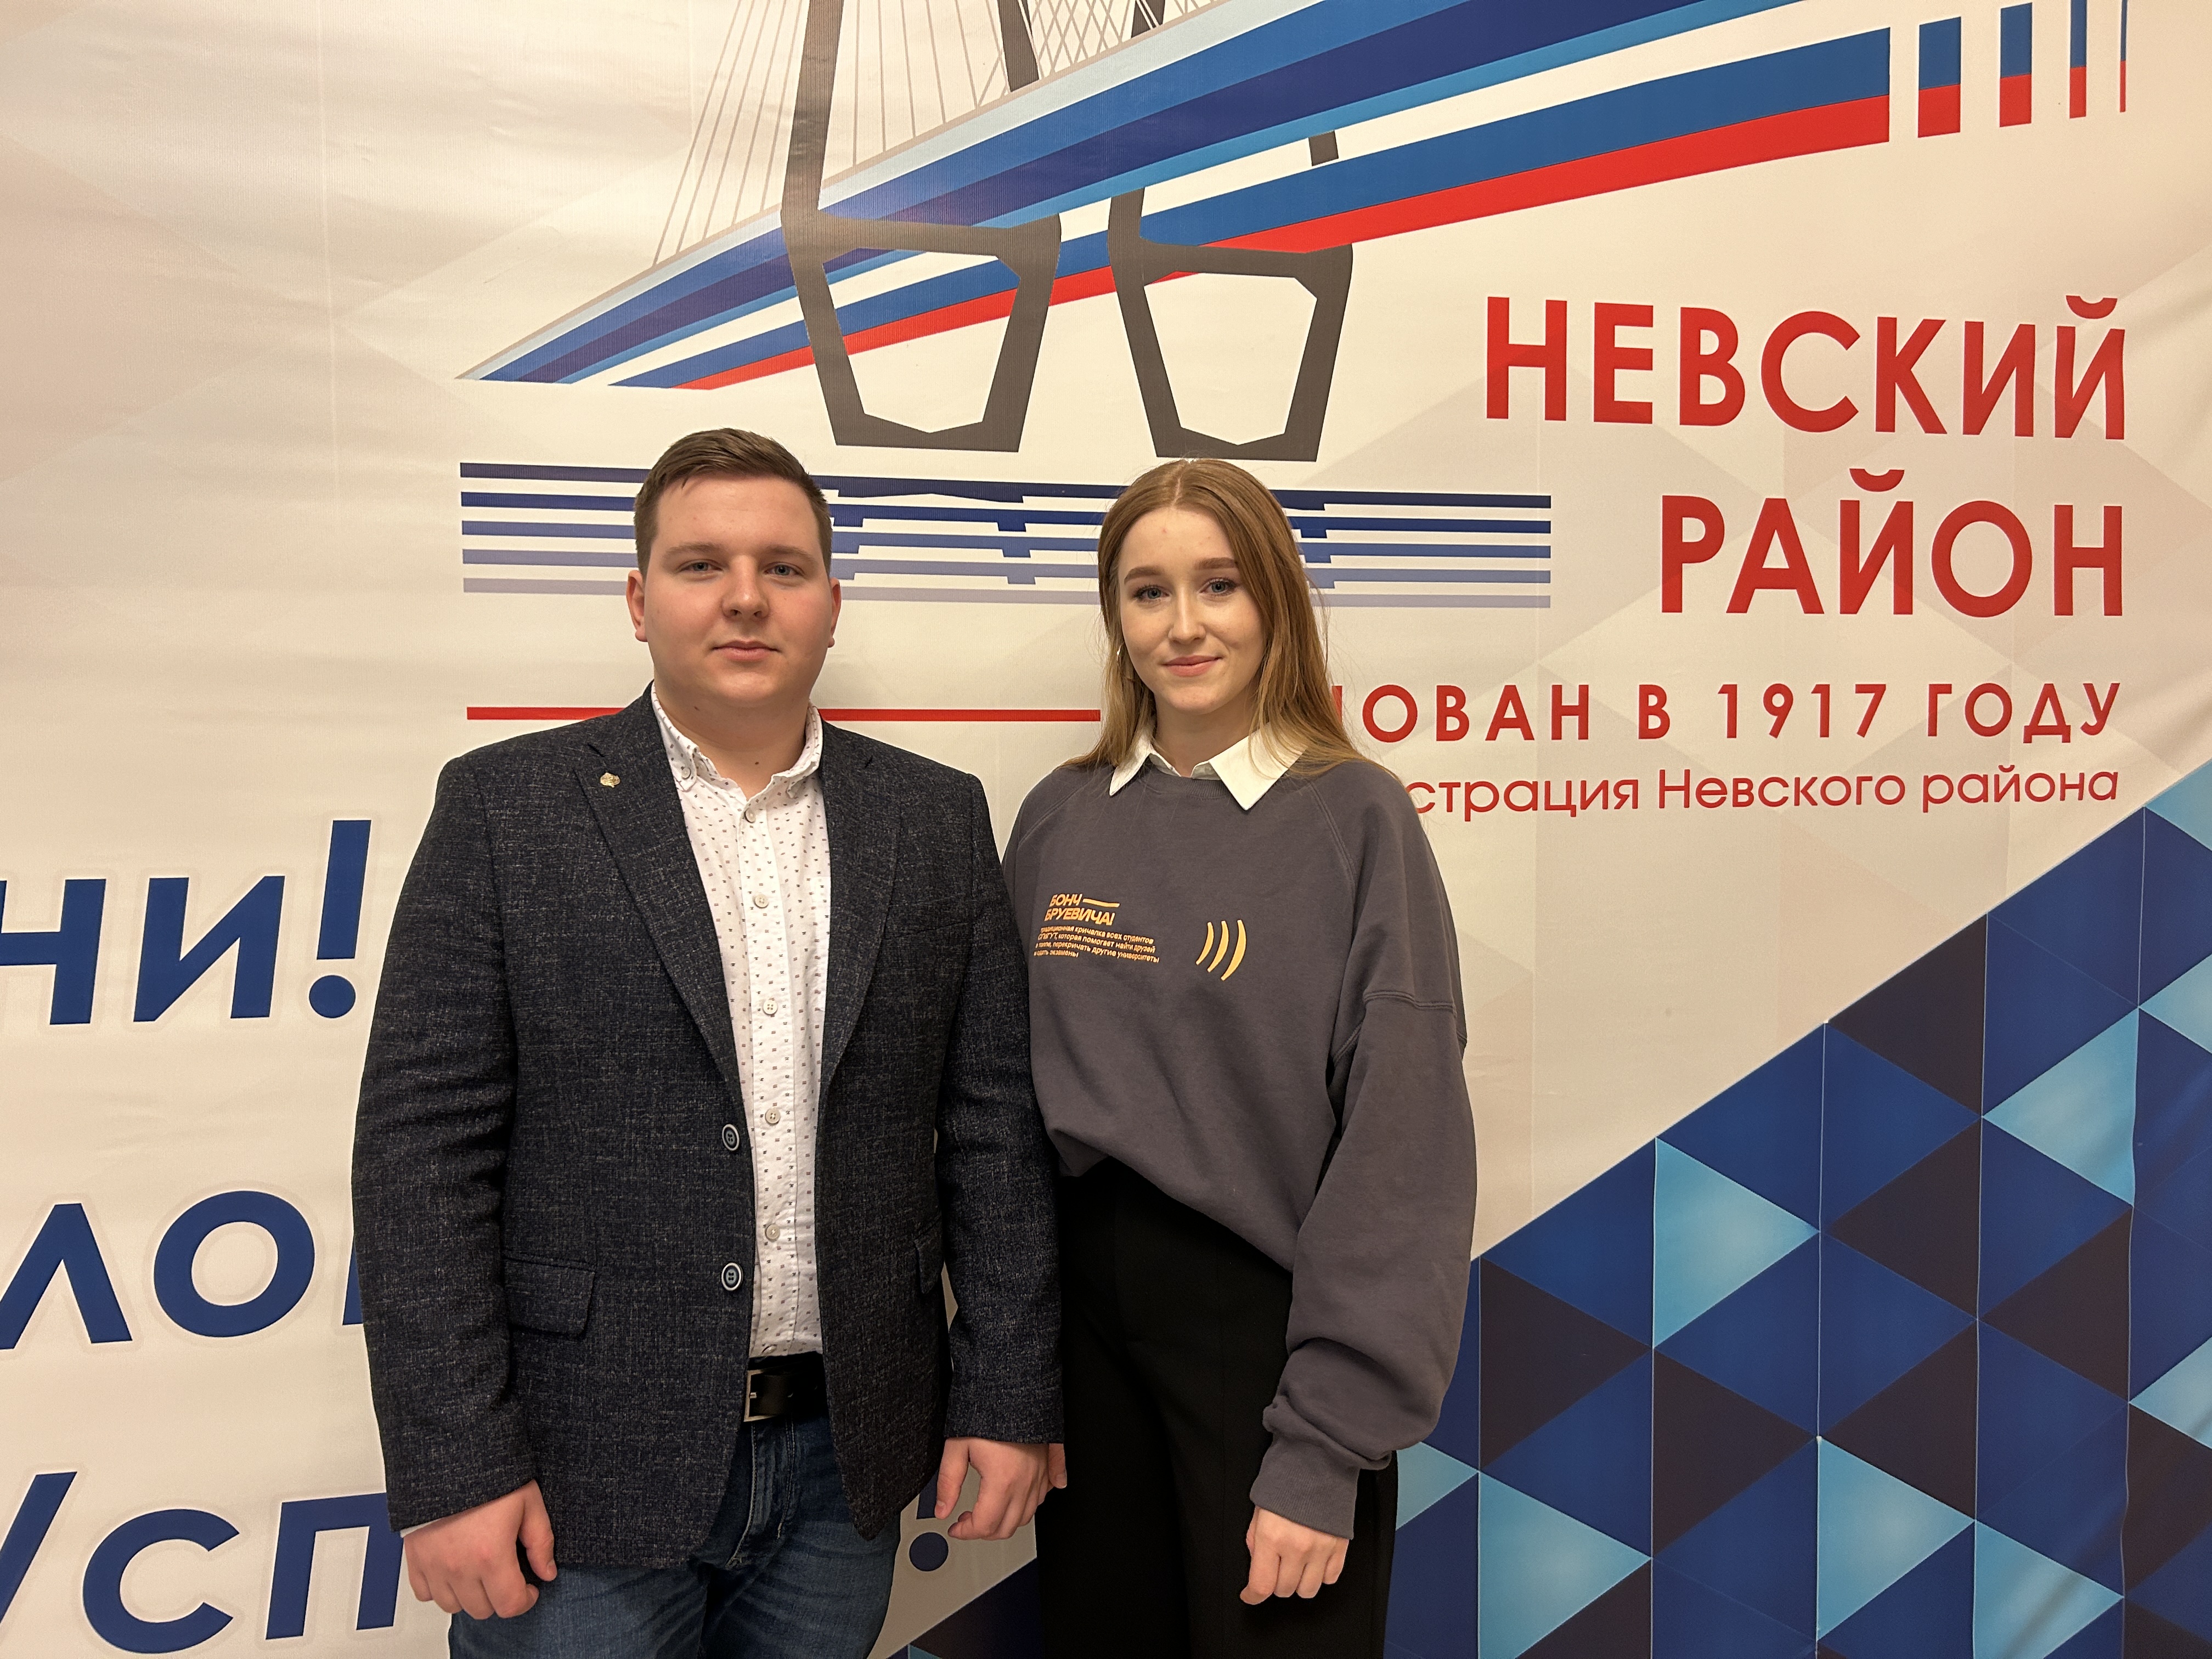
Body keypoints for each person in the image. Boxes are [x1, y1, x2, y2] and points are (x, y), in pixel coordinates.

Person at [351, 427, 1063, 1658]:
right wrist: (455, 1466)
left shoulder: (935, 817)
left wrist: (1006, 1394)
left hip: (845, 1462)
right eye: (701, 565)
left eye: (783, 567)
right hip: (576, 1473)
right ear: (640, 601)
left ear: (830, 602)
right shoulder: (506, 808)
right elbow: (421, 1158)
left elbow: (993, 1134)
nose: (745, 597)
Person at [1002, 459, 1476, 1658]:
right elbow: (999, 1103)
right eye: (1148, 591)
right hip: (1082, 1333)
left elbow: (1404, 1148)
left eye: (1219, 585)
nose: (1185, 624)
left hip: (1261, 1329)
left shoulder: (1356, 817)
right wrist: (1010, 1372)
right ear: (1115, 616)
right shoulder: (1060, 815)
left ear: (1275, 600)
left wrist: (1326, 1445)